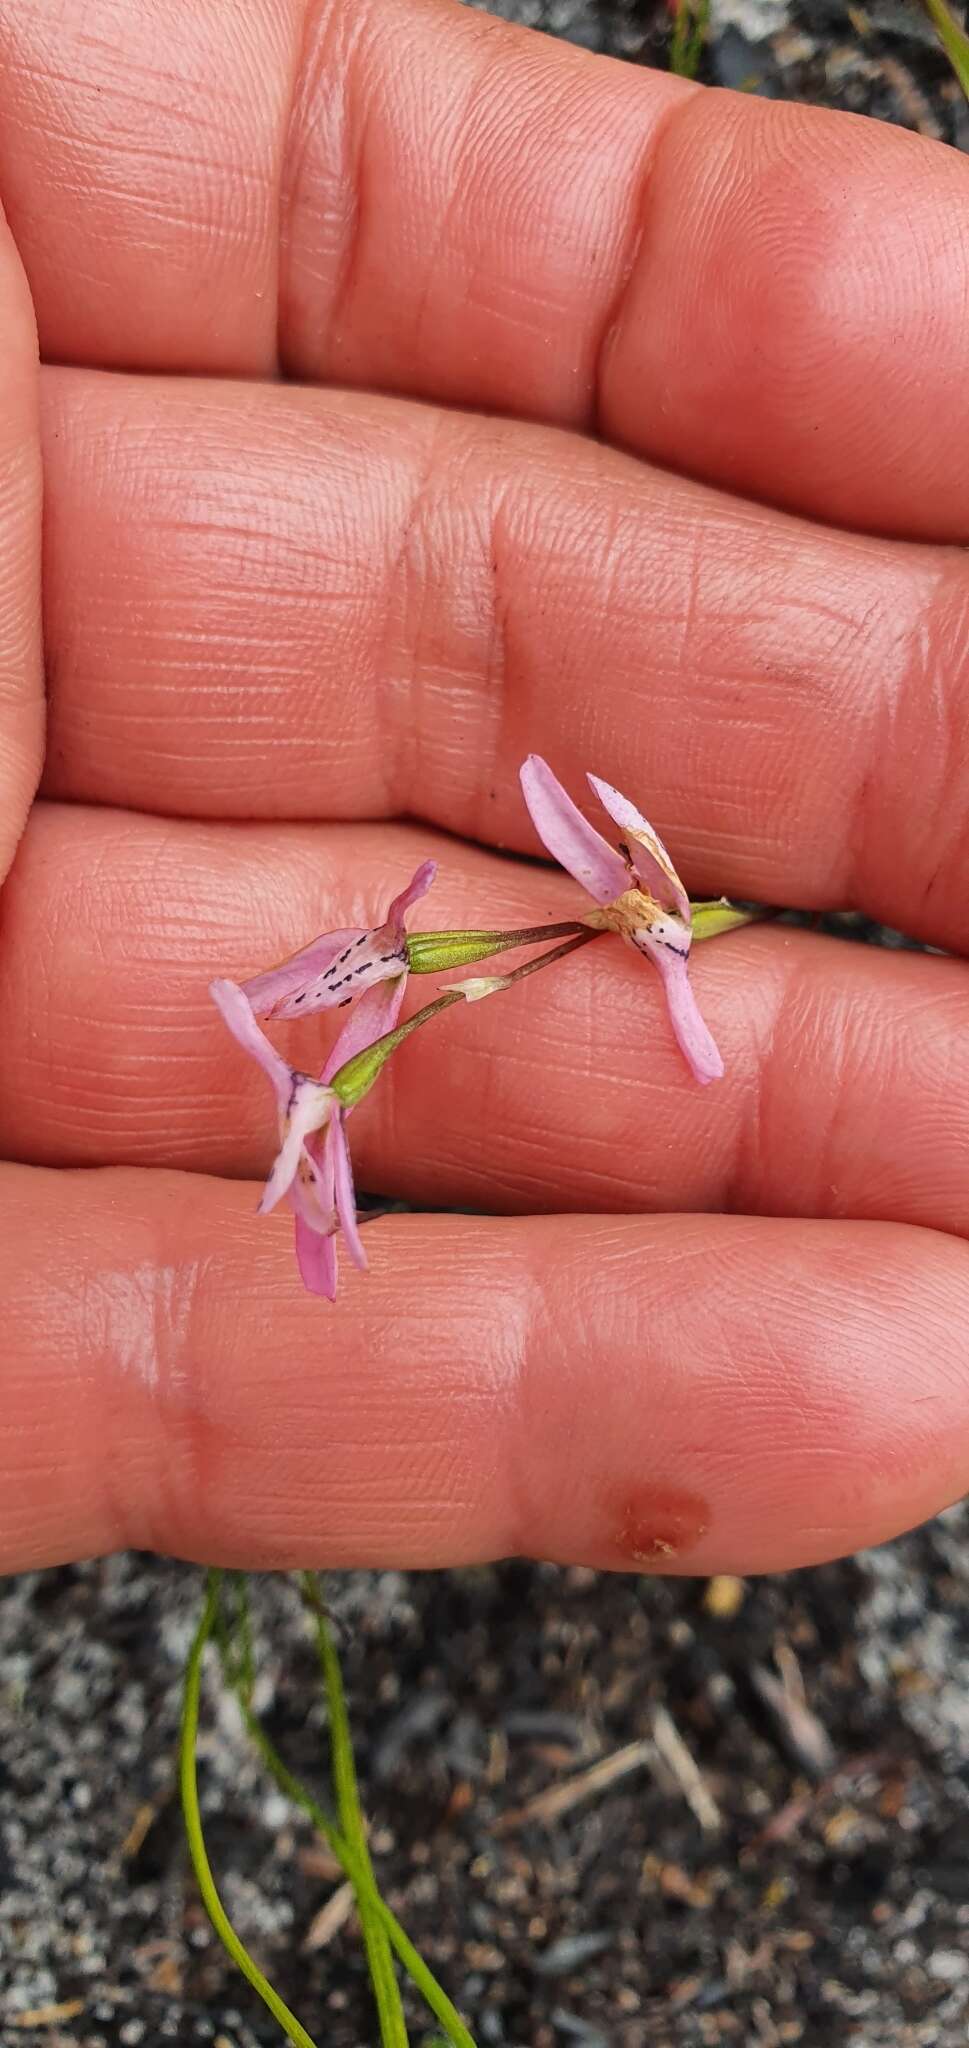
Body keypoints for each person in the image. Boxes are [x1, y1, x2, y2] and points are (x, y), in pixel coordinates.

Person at [0, 0, 967, 1581]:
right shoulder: (485, 962)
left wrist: (628, 921)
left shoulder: (599, 927)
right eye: (343, 998)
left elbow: (606, 912)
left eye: (344, 994)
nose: (353, 991)